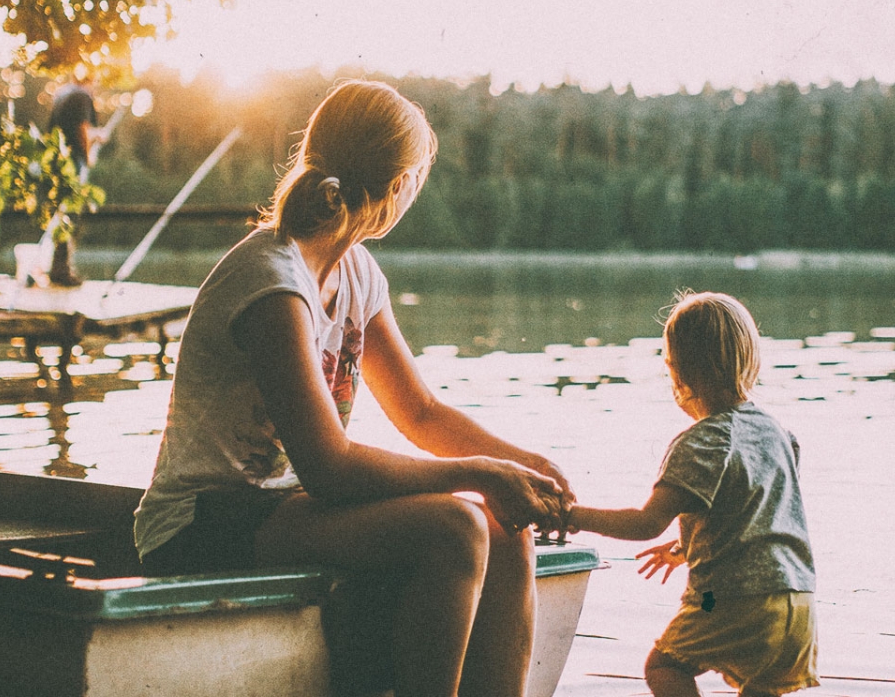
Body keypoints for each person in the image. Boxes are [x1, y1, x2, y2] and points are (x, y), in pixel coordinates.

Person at [132, 80, 572, 697]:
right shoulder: (273, 284)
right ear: (398, 187)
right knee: (457, 529)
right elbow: (330, 469)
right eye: (417, 176)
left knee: (506, 529)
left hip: (285, 510)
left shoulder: (357, 271)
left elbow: (419, 411)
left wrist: (520, 467)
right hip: (203, 522)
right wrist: (479, 473)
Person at [563, 291, 818, 697]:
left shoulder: (702, 442)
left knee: (665, 666)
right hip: (799, 606)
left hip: (735, 600)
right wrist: (685, 548)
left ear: (677, 371)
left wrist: (572, 516)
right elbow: (757, 515)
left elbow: (645, 523)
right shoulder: (779, 435)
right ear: (750, 360)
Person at [45, 77, 98, 285]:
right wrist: (88, 156)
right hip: (73, 161)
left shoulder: (62, 94)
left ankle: (58, 268)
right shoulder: (82, 95)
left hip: (56, 160)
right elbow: (81, 128)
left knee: (60, 213)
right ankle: (62, 270)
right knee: (70, 214)